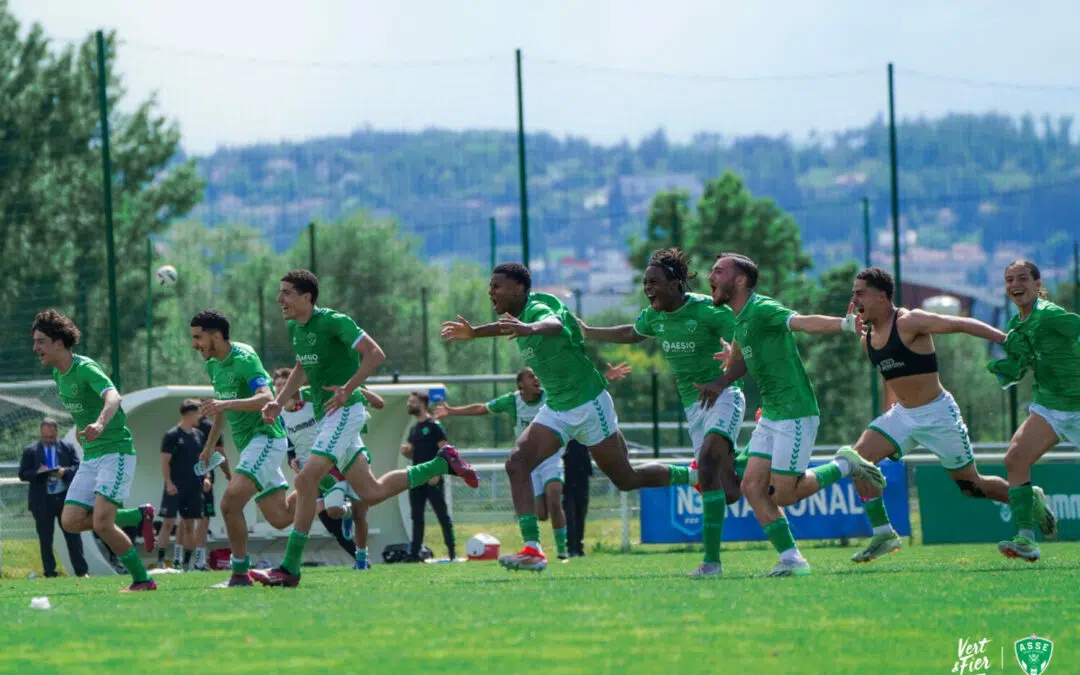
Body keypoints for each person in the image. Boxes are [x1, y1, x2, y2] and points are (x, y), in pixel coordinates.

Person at [441, 262, 696, 573]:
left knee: (626, 479)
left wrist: (529, 329)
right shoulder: (520, 316)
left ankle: (694, 475)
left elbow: (554, 325)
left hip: (590, 405)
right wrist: (475, 333)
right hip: (558, 408)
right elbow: (505, 326)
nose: (490, 292)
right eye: (490, 286)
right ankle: (533, 549)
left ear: (519, 289)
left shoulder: (540, 307)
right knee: (516, 464)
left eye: (497, 286)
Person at [254, 269, 479, 587]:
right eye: (280, 293)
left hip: (345, 409)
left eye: (287, 293)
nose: (280, 299)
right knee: (370, 492)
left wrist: (348, 388)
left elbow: (375, 354)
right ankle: (443, 462)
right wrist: (279, 401)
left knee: (305, 479)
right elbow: (303, 367)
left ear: (307, 297)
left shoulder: (334, 321)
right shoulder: (296, 328)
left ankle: (289, 568)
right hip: (327, 415)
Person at [842, 267, 1054, 563]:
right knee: (858, 460)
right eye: (854, 293)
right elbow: (890, 378)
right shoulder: (867, 339)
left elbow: (963, 324)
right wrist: (886, 417)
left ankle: (1029, 498)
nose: (854, 299)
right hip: (903, 415)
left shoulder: (910, 321)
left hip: (939, 415)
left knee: (971, 486)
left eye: (859, 293)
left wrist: (1005, 340)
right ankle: (883, 534)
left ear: (881, 296)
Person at [700, 254, 885, 577]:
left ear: (741, 281)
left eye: (718, 271)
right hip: (772, 413)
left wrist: (843, 324)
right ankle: (792, 560)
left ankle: (846, 464)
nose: (710, 277)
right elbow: (743, 358)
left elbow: (802, 322)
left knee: (785, 494)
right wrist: (723, 377)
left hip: (795, 412)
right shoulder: (740, 319)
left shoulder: (762, 309)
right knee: (751, 486)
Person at [577, 247, 745, 577]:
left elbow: (743, 327)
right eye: (645, 282)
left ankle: (711, 562)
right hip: (693, 407)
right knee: (729, 493)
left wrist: (731, 359)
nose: (648, 287)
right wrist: (588, 331)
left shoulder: (707, 309)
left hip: (723, 396)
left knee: (708, 462)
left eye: (654, 281)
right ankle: (753, 461)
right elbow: (631, 333)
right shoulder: (655, 317)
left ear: (676, 283)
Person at [436, 364, 630, 561]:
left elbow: (580, 394)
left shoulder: (551, 396)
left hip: (552, 459)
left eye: (537, 375)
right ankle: (537, 542)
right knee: (542, 514)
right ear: (521, 384)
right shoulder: (512, 401)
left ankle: (562, 553)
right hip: (530, 463)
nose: (536, 379)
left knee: (555, 499)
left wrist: (606, 378)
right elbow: (482, 408)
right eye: (531, 376)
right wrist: (451, 411)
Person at [32, 309, 156, 592]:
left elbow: (113, 396)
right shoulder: (58, 374)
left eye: (40, 341)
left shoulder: (85, 367)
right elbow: (81, 408)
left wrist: (100, 422)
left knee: (102, 523)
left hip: (116, 452)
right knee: (71, 521)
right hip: (92, 456)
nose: (35, 347)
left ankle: (143, 579)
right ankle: (138, 515)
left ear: (58, 343)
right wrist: (81, 427)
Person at [190, 309, 294, 587]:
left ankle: (239, 574)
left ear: (216, 336)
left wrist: (225, 404)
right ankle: (320, 493)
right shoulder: (213, 365)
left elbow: (266, 398)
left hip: (266, 438)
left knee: (229, 504)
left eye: (198, 337)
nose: (194, 344)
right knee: (280, 518)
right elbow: (222, 410)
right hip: (251, 445)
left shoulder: (245, 359)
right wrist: (209, 445)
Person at [990, 260, 1079, 562]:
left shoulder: (1050, 314)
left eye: (1023, 278)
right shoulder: (1017, 325)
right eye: (1009, 280)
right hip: (1050, 406)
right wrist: (1006, 367)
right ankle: (1026, 539)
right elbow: (1023, 366)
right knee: (1015, 458)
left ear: (1038, 285)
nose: (1015, 284)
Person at [277, 366, 384, 570]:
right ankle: (292, 564)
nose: (282, 389)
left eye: (285, 384)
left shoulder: (318, 398)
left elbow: (379, 403)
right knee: (328, 514)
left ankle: (361, 556)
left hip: (342, 457)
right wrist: (292, 458)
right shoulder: (282, 413)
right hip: (314, 469)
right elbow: (290, 442)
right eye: (279, 386)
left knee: (362, 509)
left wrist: (353, 390)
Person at [18, 418, 88, 578]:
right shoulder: (31, 450)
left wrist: (64, 471)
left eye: (51, 437)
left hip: (65, 499)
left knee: (73, 536)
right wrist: (39, 472)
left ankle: (81, 571)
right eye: (45, 437)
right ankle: (50, 572)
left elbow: (78, 468)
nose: (48, 440)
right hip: (42, 501)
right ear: (41, 434)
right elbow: (22, 473)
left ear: (56, 433)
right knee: (45, 538)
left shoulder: (67, 448)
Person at [402, 391, 456, 561]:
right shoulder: (414, 429)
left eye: (413, 402)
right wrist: (407, 453)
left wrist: (437, 473)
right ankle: (414, 553)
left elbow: (446, 451)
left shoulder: (434, 426)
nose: (409, 404)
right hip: (417, 478)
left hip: (433, 478)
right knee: (416, 516)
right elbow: (413, 455)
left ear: (422, 404)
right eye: (409, 401)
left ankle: (452, 552)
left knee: (442, 514)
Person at [154, 399, 207, 571]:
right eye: (199, 412)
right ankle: (161, 561)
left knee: (190, 525)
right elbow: (164, 462)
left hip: (193, 487)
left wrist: (206, 478)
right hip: (175, 486)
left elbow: (202, 461)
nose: (201, 416)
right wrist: (168, 482)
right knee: (168, 523)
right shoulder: (172, 435)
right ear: (190, 414)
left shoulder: (199, 435)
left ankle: (186, 564)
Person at [194, 407, 231, 571]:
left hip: (187, 480)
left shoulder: (184, 427)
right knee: (203, 518)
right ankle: (198, 561)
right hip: (202, 479)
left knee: (187, 520)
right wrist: (229, 474)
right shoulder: (211, 427)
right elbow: (221, 454)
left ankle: (183, 561)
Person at [561, 440, 591, 557]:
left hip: (581, 480)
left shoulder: (583, 439)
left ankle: (579, 546)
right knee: (570, 516)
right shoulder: (565, 439)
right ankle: (571, 547)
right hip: (568, 481)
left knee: (580, 515)